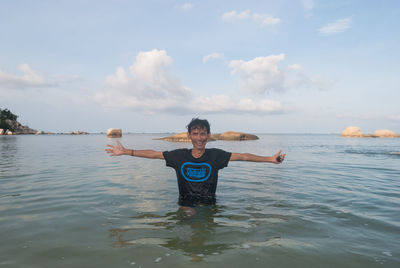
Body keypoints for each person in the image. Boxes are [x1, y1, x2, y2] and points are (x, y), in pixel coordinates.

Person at [106, 118, 285, 215]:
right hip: (186, 201)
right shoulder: (179, 156)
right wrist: (126, 151)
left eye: (203, 134)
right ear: (189, 135)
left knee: (209, 228)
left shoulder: (216, 155)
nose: (199, 138)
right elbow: (154, 154)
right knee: (189, 221)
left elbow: (244, 156)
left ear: (208, 136)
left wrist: (270, 159)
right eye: (195, 133)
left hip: (210, 202)